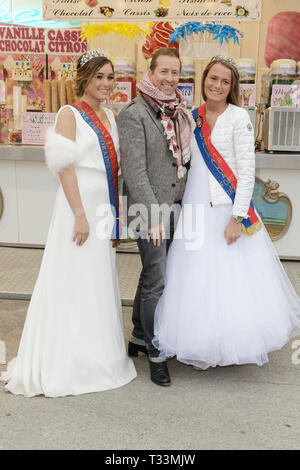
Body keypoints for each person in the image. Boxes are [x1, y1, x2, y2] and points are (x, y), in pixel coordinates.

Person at [0, 50, 136, 397]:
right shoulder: (69, 113)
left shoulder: (109, 114)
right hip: (79, 206)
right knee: (72, 276)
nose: (105, 83)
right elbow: (65, 166)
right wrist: (79, 214)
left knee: (97, 277)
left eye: (109, 77)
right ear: (84, 78)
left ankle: (96, 353)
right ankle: (67, 359)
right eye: (99, 77)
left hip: (102, 205)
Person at [153, 55, 300, 370]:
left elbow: (247, 172)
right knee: (194, 275)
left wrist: (237, 219)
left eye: (224, 81)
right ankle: (198, 343)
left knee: (227, 276)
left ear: (231, 87)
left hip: (226, 208)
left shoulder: (239, 117)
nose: (217, 85)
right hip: (195, 204)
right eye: (213, 78)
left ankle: (226, 343)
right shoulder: (192, 116)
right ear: (203, 80)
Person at [118, 48, 194, 386]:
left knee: (153, 274)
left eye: (175, 72)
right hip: (149, 211)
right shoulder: (134, 113)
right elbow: (134, 172)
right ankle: (155, 351)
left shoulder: (179, 112)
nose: (169, 79)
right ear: (150, 72)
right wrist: (154, 217)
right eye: (163, 71)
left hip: (176, 207)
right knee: (157, 280)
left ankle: (136, 335)